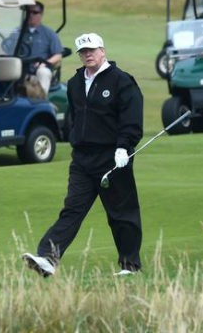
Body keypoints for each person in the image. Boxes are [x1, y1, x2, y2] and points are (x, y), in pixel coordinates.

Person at [23, 33, 144, 277]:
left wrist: (124, 147)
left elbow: (131, 119)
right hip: (82, 160)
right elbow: (76, 119)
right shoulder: (76, 83)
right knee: (72, 210)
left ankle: (130, 267)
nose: (87, 54)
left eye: (91, 50)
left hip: (113, 159)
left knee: (121, 213)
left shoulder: (122, 81)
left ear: (102, 50)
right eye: (83, 51)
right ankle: (48, 258)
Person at [5, 1, 63, 96]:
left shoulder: (49, 33)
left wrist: (44, 63)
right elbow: (7, 48)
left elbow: (58, 55)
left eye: (35, 12)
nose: (30, 15)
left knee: (43, 72)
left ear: (41, 14)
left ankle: (41, 100)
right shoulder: (17, 32)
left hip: (39, 67)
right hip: (20, 66)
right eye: (28, 12)